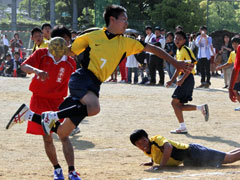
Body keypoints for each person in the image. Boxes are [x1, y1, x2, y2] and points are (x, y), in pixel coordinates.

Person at [7, 5, 192, 177]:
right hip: (82, 78)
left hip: (95, 84)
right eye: (123, 19)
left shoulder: (126, 43)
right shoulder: (92, 36)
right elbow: (70, 52)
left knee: (63, 133)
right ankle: (52, 117)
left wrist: (176, 63)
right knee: (94, 108)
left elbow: (152, 48)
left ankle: (31, 116)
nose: (126, 23)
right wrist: (55, 47)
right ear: (112, 19)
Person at [6, 26, 81, 180]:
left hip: (58, 102)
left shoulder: (71, 63)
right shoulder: (41, 54)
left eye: (67, 40)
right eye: (62, 40)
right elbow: (24, 66)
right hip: (39, 99)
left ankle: (72, 171)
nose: (65, 44)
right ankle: (57, 169)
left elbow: (74, 84)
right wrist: (37, 71)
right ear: (53, 41)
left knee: (63, 135)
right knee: (47, 137)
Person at [130, 129, 240, 170]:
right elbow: (155, 153)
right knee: (227, 156)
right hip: (190, 160)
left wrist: (161, 166)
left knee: (230, 159)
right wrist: (151, 162)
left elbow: (168, 147)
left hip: (195, 152)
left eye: (143, 140)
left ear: (147, 138)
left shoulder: (156, 139)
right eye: (138, 144)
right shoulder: (147, 150)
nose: (142, 144)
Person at [166, 31, 208, 134]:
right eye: (175, 38)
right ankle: (201, 107)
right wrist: (172, 80)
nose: (176, 40)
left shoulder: (186, 49)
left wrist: (182, 79)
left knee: (174, 103)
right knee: (179, 105)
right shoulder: (178, 51)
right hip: (185, 78)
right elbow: (178, 68)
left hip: (187, 78)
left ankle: (182, 127)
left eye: (179, 39)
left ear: (184, 40)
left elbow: (192, 64)